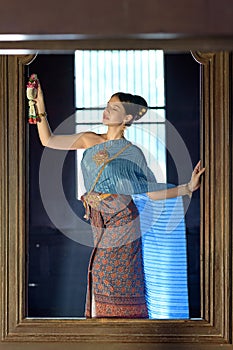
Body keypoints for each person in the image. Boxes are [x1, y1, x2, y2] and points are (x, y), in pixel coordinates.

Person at [32, 82, 205, 319]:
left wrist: (187, 188)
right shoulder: (89, 139)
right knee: (99, 271)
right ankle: (105, 333)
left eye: (114, 108)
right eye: (107, 106)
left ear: (127, 118)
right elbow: (48, 140)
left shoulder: (133, 152)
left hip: (124, 218)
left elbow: (149, 191)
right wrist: (38, 102)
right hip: (99, 219)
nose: (106, 111)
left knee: (105, 269)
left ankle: (122, 329)